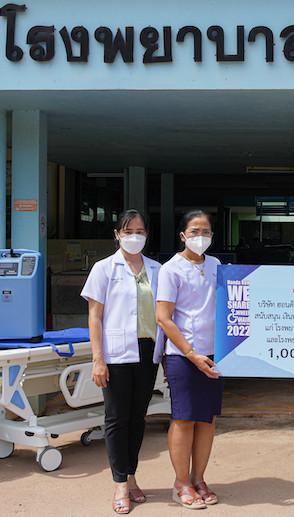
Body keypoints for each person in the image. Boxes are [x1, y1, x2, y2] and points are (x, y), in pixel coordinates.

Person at [81, 209, 161, 515]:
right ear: (117, 234)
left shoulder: (156, 269)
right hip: (115, 353)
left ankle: (131, 476)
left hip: (147, 351)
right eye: (128, 231)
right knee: (116, 418)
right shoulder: (104, 269)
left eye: (140, 231)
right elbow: (95, 316)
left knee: (138, 417)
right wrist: (97, 359)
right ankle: (119, 484)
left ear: (147, 235)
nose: (134, 237)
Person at [154, 210, 223, 510]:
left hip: (214, 354)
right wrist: (191, 353)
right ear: (182, 235)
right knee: (184, 419)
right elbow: (163, 318)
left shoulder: (217, 266)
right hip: (183, 356)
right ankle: (181, 483)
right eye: (195, 231)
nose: (200, 237)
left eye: (206, 231)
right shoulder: (171, 269)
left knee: (206, 420)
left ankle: (199, 478)